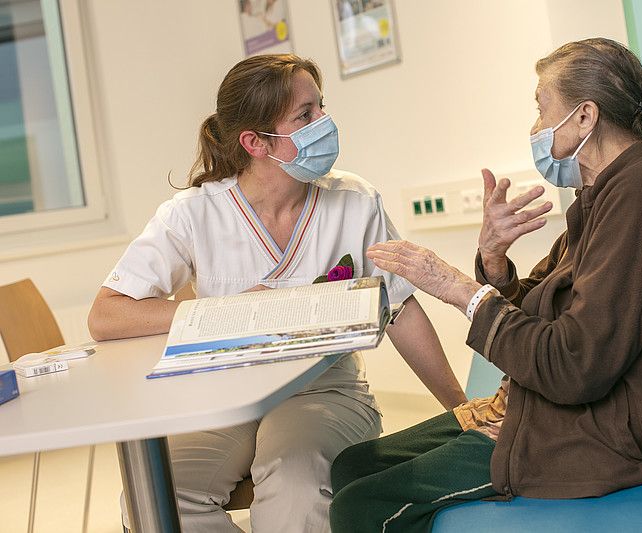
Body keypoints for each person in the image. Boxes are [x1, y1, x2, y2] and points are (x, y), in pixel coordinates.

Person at [328, 38, 642, 532]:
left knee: (359, 506)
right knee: (351, 465)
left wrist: (458, 288)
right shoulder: (606, 194)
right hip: (560, 405)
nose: (536, 129)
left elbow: (574, 365)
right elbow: (545, 316)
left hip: (608, 433)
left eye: (542, 110)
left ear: (585, 117)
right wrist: (495, 265)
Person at [87, 54, 466, 533]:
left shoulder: (354, 202)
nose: (323, 124)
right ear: (255, 142)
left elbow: (400, 311)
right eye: (305, 116)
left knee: (295, 487)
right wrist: (223, 312)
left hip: (325, 390)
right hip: (222, 391)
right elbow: (107, 316)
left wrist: (460, 409)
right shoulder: (192, 214)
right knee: (158, 500)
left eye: (321, 108)